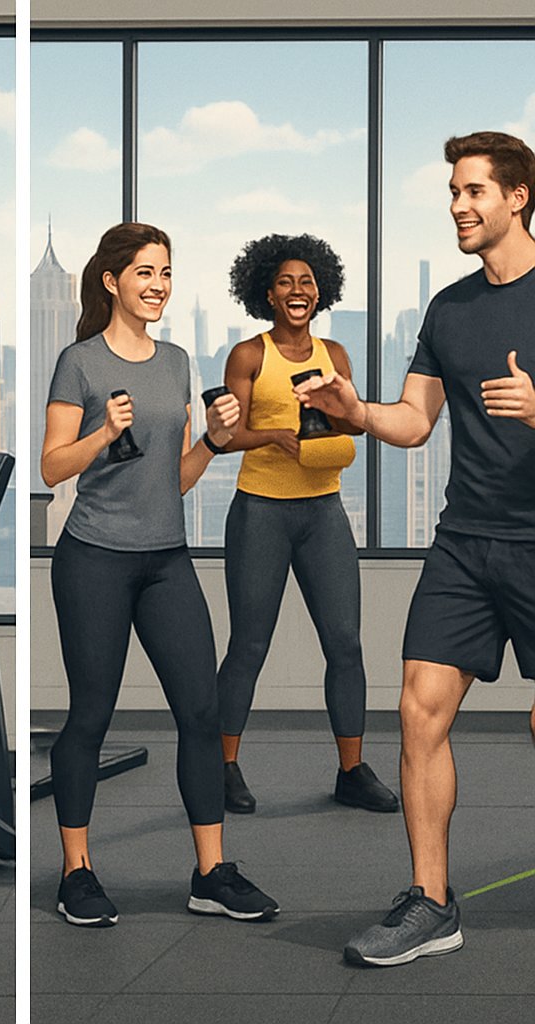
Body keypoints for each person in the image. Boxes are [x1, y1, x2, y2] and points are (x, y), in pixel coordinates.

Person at [294, 131, 535, 967]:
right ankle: (432, 901)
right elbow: (415, 418)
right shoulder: (452, 310)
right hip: (467, 541)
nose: (459, 207)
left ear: (518, 196)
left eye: (474, 192)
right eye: (453, 194)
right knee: (418, 710)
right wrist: (355, 409)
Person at [41, 222, 278, 928]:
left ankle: (211, 872)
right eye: (145, 272)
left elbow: (173, 481)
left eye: (166, 273)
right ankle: (76, 873)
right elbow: (54, 467)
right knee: (89, 716)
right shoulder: (77, 362)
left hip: (165, 558)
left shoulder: (176, 362)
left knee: (201, 714)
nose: (159, 285)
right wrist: (103, 433)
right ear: (112, 280)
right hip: (94, 559)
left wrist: (213, 439)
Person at [216, 234, 398, 816]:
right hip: (261, 510)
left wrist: (338, 420)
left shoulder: (335, 355)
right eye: (286, 282)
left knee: (345, 643)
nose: (298, 291)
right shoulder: (249, 355)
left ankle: (351, 769)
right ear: (266, 292)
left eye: (307, 282)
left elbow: (358, 424)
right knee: (248, 645)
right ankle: (222, 767)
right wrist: (274, 435)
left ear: (321, 292)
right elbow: (229, 437)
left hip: (324, 512)